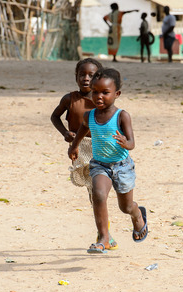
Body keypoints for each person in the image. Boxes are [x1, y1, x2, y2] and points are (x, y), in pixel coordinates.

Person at [68, 68, 148, 254]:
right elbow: (82, 129)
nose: (99, 97)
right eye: (95, 92)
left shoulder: (122, 116)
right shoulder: (90, 116)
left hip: (122, 167)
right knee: (98, 194)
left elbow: (132, 143)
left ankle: (137, 215)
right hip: (100, 165)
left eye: (105, 92)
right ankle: (104, 238)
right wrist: (74, 146)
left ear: (117, 94)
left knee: (125, 206)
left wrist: (125, 143)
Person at [51, 59, 119, 251]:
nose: (86, 78)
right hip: (81, 150)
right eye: (82, 74)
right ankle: (105, 235)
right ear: (76, 77)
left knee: (98, 192)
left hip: (102, 149)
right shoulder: (69, 99)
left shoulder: (103, 100)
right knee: (93, 192)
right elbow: (54, 116)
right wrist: (66, 134)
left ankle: (105, 235)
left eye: (92, 75)